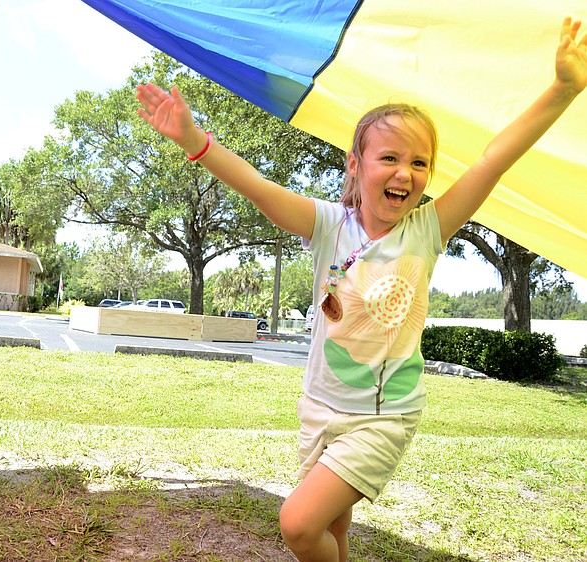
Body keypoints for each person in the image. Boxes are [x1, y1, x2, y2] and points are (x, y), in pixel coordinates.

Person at [136, 17, 586, 562]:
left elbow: (494, 159)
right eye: (389, 158)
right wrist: (194, 140)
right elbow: (257, 186)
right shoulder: (329, 225)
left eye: (419, 162)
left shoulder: (428, 229)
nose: (405, 173)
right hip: (319, 407)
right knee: (335, 530)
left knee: (299, 524)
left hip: (383, 416)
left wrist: (561, 90)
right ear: (356, 165)